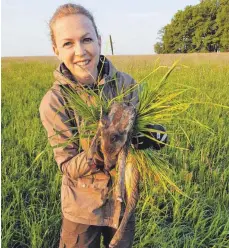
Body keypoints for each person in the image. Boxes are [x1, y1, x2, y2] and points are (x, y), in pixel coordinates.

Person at [39, 4, 167, 248]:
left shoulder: (125, 84)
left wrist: (154, 136)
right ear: (56, 50)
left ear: (99, 41)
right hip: (81, 209)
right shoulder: (54, 102)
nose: (80, 51)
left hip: (122, 201)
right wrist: (101, 149)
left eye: (86, 39)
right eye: (68, 43)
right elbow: (67, 166)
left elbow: (141, 132)